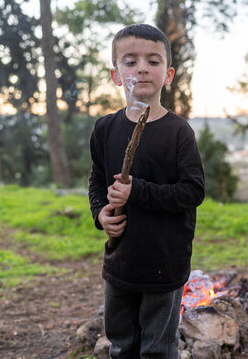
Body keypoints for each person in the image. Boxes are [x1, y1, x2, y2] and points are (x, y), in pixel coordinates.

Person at [88, 23, 205, 359]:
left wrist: (136, 191)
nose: (141, 68)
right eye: (130, 61)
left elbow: (192, 191)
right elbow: (97, 180)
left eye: (153, 61)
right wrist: (100, 214)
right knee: (122, 345)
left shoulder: (178, 132)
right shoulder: (105, 129)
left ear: (167, 75)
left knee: (157, 349)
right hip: (120, 262)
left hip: (165, 262)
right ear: (115, 74)